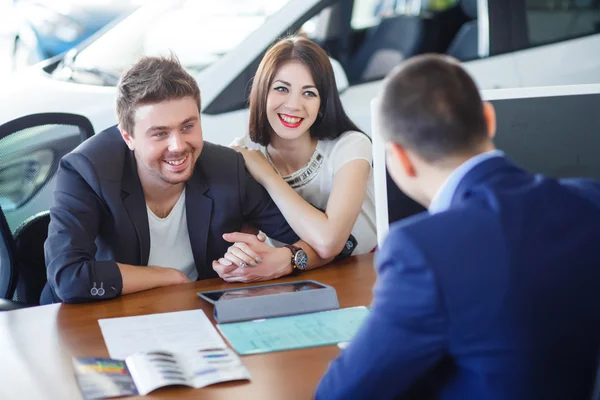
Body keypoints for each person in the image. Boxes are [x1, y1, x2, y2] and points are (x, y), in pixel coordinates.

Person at [316, 54, 600, 399]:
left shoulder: (421, 250)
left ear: (400, 158)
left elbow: (343, 393)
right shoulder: (589, 200)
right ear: (488, 118)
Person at [41, 55, 329, 304]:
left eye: (188, 126)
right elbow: (68, 278)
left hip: (197, 318)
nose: (178, 146)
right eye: (160, 133)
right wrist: (169, 277)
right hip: (101, 322)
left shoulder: (226, 168)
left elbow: (331, 244)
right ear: (128, 136)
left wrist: (287, 260)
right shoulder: (86, 171)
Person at [226, 37, 376, 273]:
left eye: (309, 93)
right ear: (262, 92)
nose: (294, 105)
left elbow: (329, 242)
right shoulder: (242, 152)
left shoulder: (351, 146)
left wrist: (267, 176)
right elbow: (244, 243)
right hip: (290, 280)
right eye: (281, 89)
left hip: (363, 270)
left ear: (323, 102)